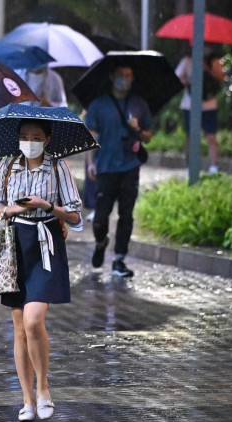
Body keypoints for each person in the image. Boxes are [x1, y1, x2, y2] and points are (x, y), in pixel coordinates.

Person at [0, 118, 82, 422]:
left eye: (36, 136)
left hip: (46, 244)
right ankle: (27, 399)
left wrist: (47, 206)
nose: (30, 141)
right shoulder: (7, 165)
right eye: (25, 136)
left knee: (33, 319)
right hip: (15, 245)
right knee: (19, 327)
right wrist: (15, 208)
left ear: (48, 139)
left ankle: (44, 389)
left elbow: (76, 215)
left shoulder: (57, 167)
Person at [85, 62, 153, 278]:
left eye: (129, 75)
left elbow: (148, 137)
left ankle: (119, 259)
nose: (125, 78)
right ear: (112, 77)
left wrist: (137, 129)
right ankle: (100, 242)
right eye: (121, 74)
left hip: (130, 167)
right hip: (105, 167)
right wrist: (91, 163)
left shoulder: (139, 104)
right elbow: (91, 136)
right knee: (100, 218)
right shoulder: (98, 105)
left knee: (127, 215)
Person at [176, 51, 226, 174]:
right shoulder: (187, 61)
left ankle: (213, 168)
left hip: (209, 105)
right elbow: (176, 78)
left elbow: (222, 77)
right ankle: (190, 168)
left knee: (211, 136)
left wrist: (210, 70)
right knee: (191, 137)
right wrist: (187, 80)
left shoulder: (214, 62)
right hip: (190, 105)